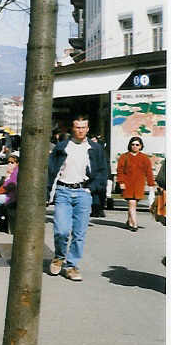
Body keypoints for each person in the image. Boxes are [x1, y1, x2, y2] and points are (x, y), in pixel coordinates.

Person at [46, 115, 108, 282]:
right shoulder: (62, 147)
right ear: (73, 129)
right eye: (77, 127)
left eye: (83, 127)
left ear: (88, 129)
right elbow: (50, 170)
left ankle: (71, 265)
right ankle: (59, 256)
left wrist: (91, 189)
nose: (80, 130)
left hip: (83, 193)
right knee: (61, 230)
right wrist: (46, 192)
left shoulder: (95, 148)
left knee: (79, 233)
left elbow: (103, 172)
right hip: (63, 191)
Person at [115, 136, 155, 231]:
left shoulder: (144, 158)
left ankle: (129, 221)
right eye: (133, 144)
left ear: (141, 146)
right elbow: (120, 170)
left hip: (139, 185)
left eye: (137, 145)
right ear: (130, 145)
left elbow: (148, 172)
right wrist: (121, 182)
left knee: (133, 204)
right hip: (127, 184)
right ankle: (134, 224)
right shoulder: (124, 157)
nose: (135, 146)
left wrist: (151, 185)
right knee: (132, 203)